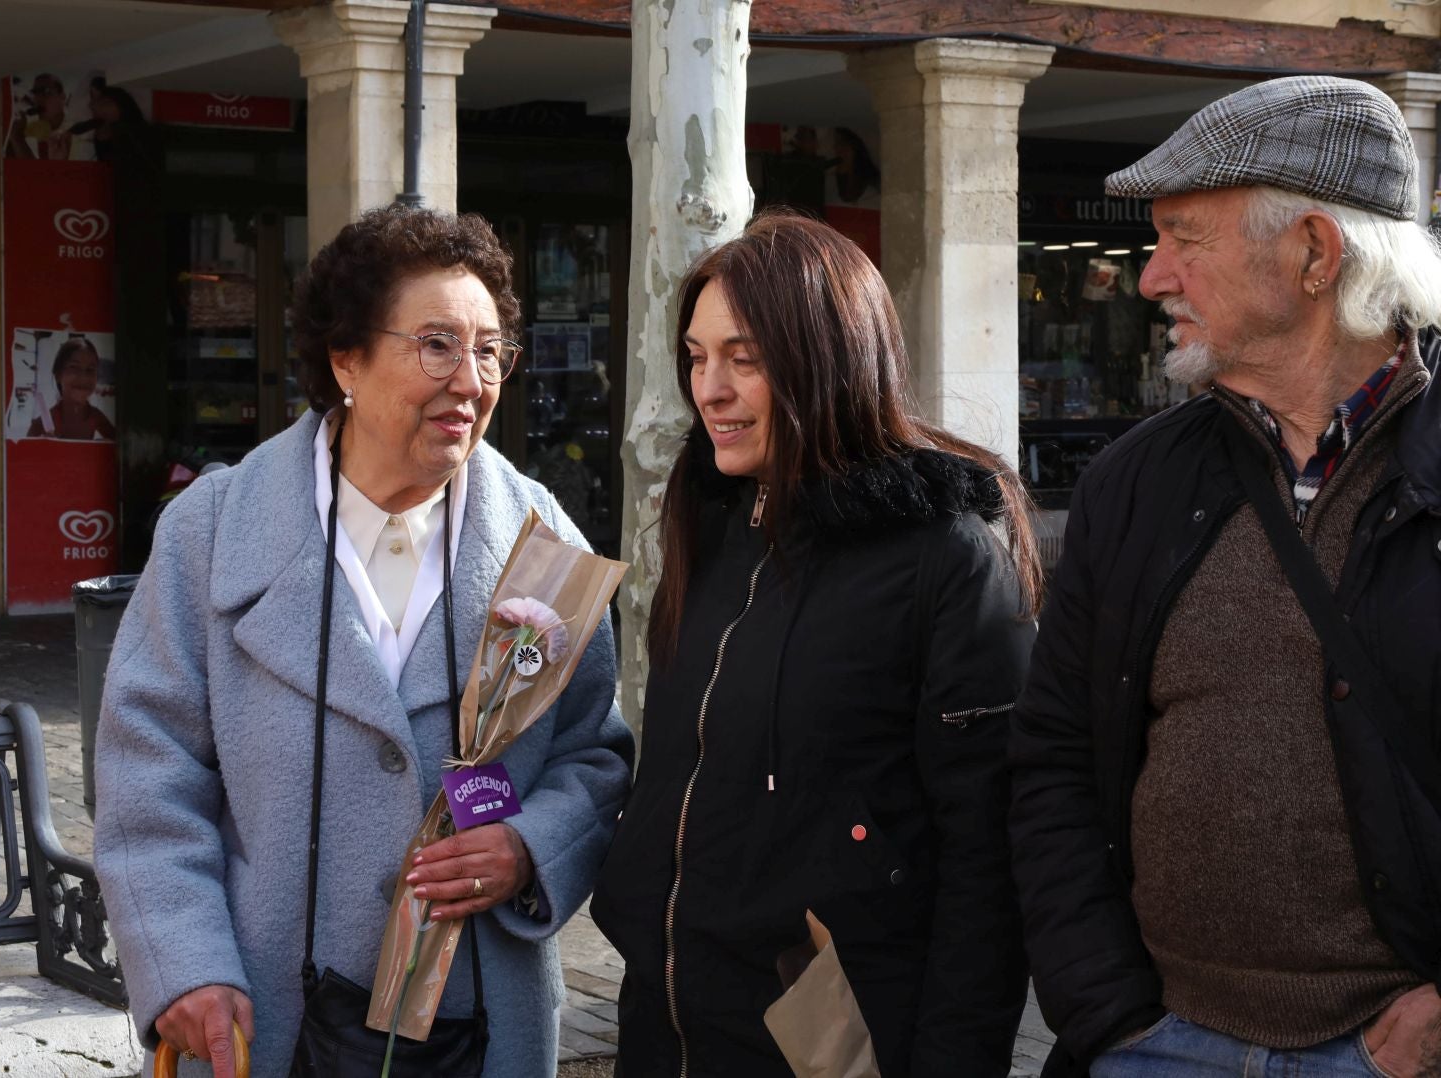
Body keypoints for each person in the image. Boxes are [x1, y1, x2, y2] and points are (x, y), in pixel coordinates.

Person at [94, 204, 633, 1078]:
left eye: (490, 350)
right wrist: (184, 962)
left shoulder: (545, 548)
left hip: (480, 1020)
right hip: (263, 1015)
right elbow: (146, 777)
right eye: (437, 345)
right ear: (345, 358)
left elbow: (594, 755)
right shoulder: (212, 533)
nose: (471, 380)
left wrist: (530, 846)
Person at [1010, 76, 1441, 1078]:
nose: (1152, 276)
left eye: (1184, 238)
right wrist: (1104, 1007)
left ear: (1314, 254)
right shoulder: (1135, 481)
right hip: (1156, 1041)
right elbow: (1054, 758)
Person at [593, 210, 1041, 1077]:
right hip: (667, 1032)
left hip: (835, 1047)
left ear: (829, 360)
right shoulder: (709, 523)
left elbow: (988, 863)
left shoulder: (944, 555)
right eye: (697, 356)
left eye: (745, 358)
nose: (710, 389)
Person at [28, 336, 116, 440]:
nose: (83, 377)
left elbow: (121, 443)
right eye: (74, 367)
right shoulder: (40, 426)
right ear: (58, 374)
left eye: (90, 369)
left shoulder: (95, 416)